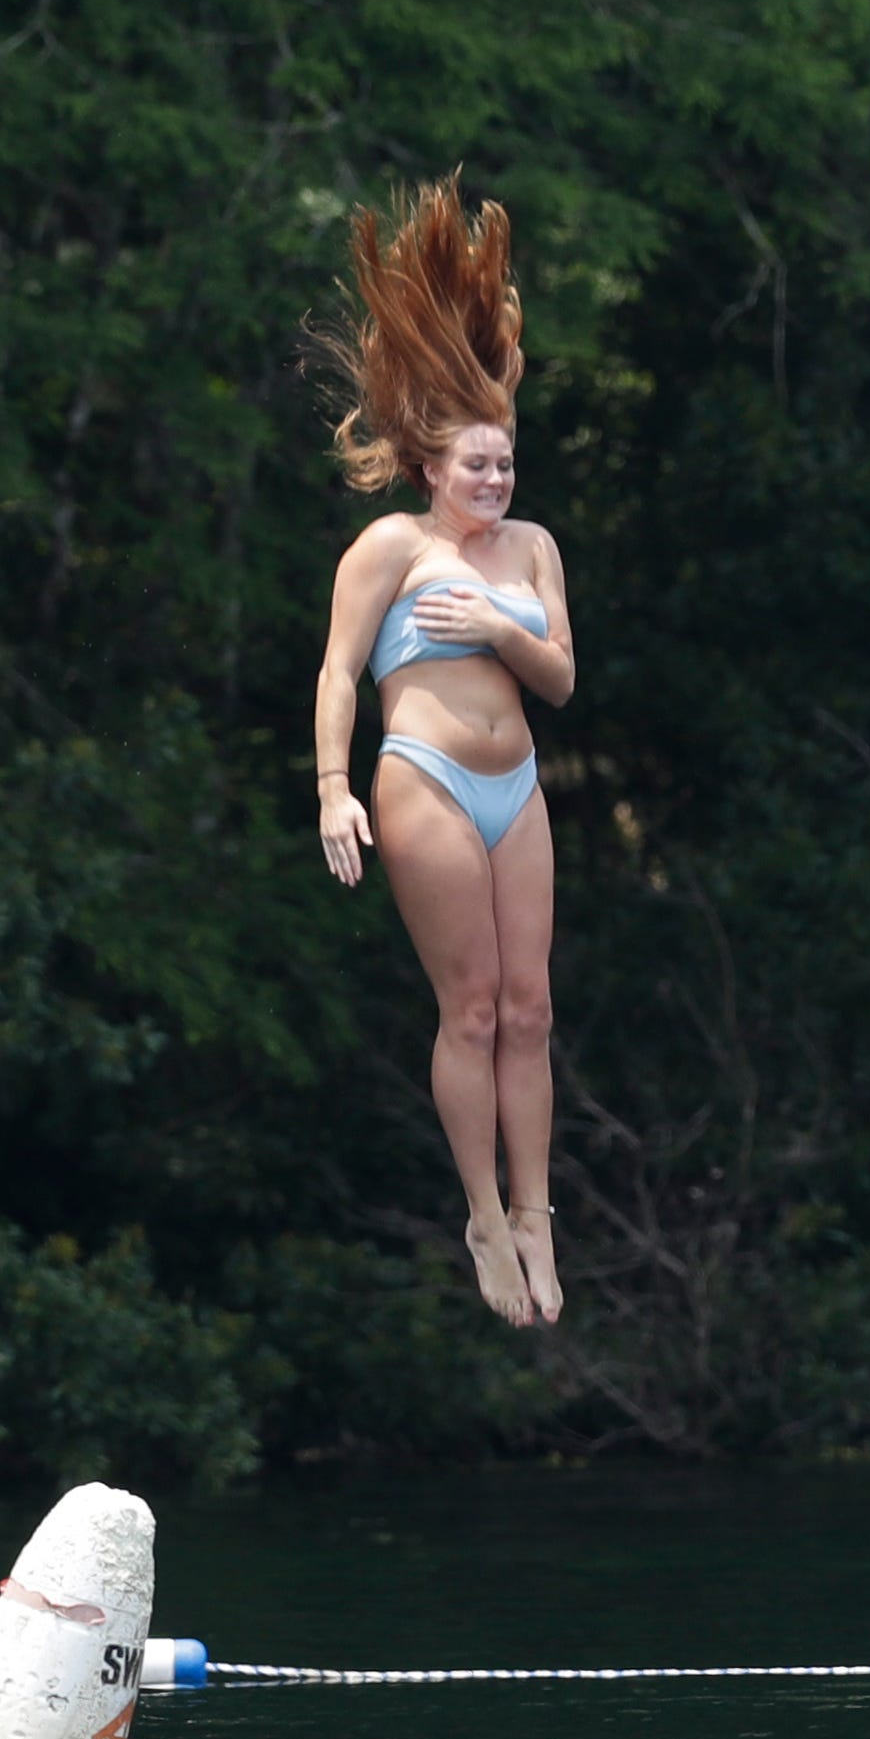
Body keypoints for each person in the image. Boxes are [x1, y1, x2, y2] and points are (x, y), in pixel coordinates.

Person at [310, 186, 576, 1327]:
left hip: (515, 785)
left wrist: (504, 630)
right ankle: (478, 1212)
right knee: (469, 1007)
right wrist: (331, 789)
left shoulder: (530, 550)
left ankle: (534, 1214)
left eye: (505, 465)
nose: (494, 481)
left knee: (532, 1007)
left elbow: (559, 677)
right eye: (476, 465)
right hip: (421, 778)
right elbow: (334, 676)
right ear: (430, 464)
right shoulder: (389, 548)